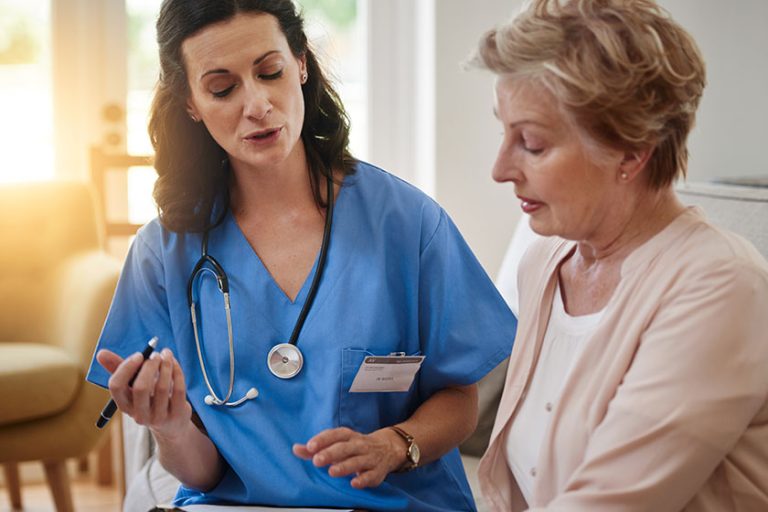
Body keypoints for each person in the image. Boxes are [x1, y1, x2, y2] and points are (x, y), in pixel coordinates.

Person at [86, 1, 516, 510]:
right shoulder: (162, 254)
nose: (257, 105)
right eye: (222, 88)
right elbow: (204, 475)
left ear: (302, 64)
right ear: (190, 103)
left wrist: (394, 446)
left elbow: (461, 400)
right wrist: (171, 426)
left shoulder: (407, 223)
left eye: (270, 72)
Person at [468, 0, 768, 510]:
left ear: (632, 151)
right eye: (504, 132)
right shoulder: (545, 259)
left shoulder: (722, 286)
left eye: (533, 144)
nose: (500, 170)